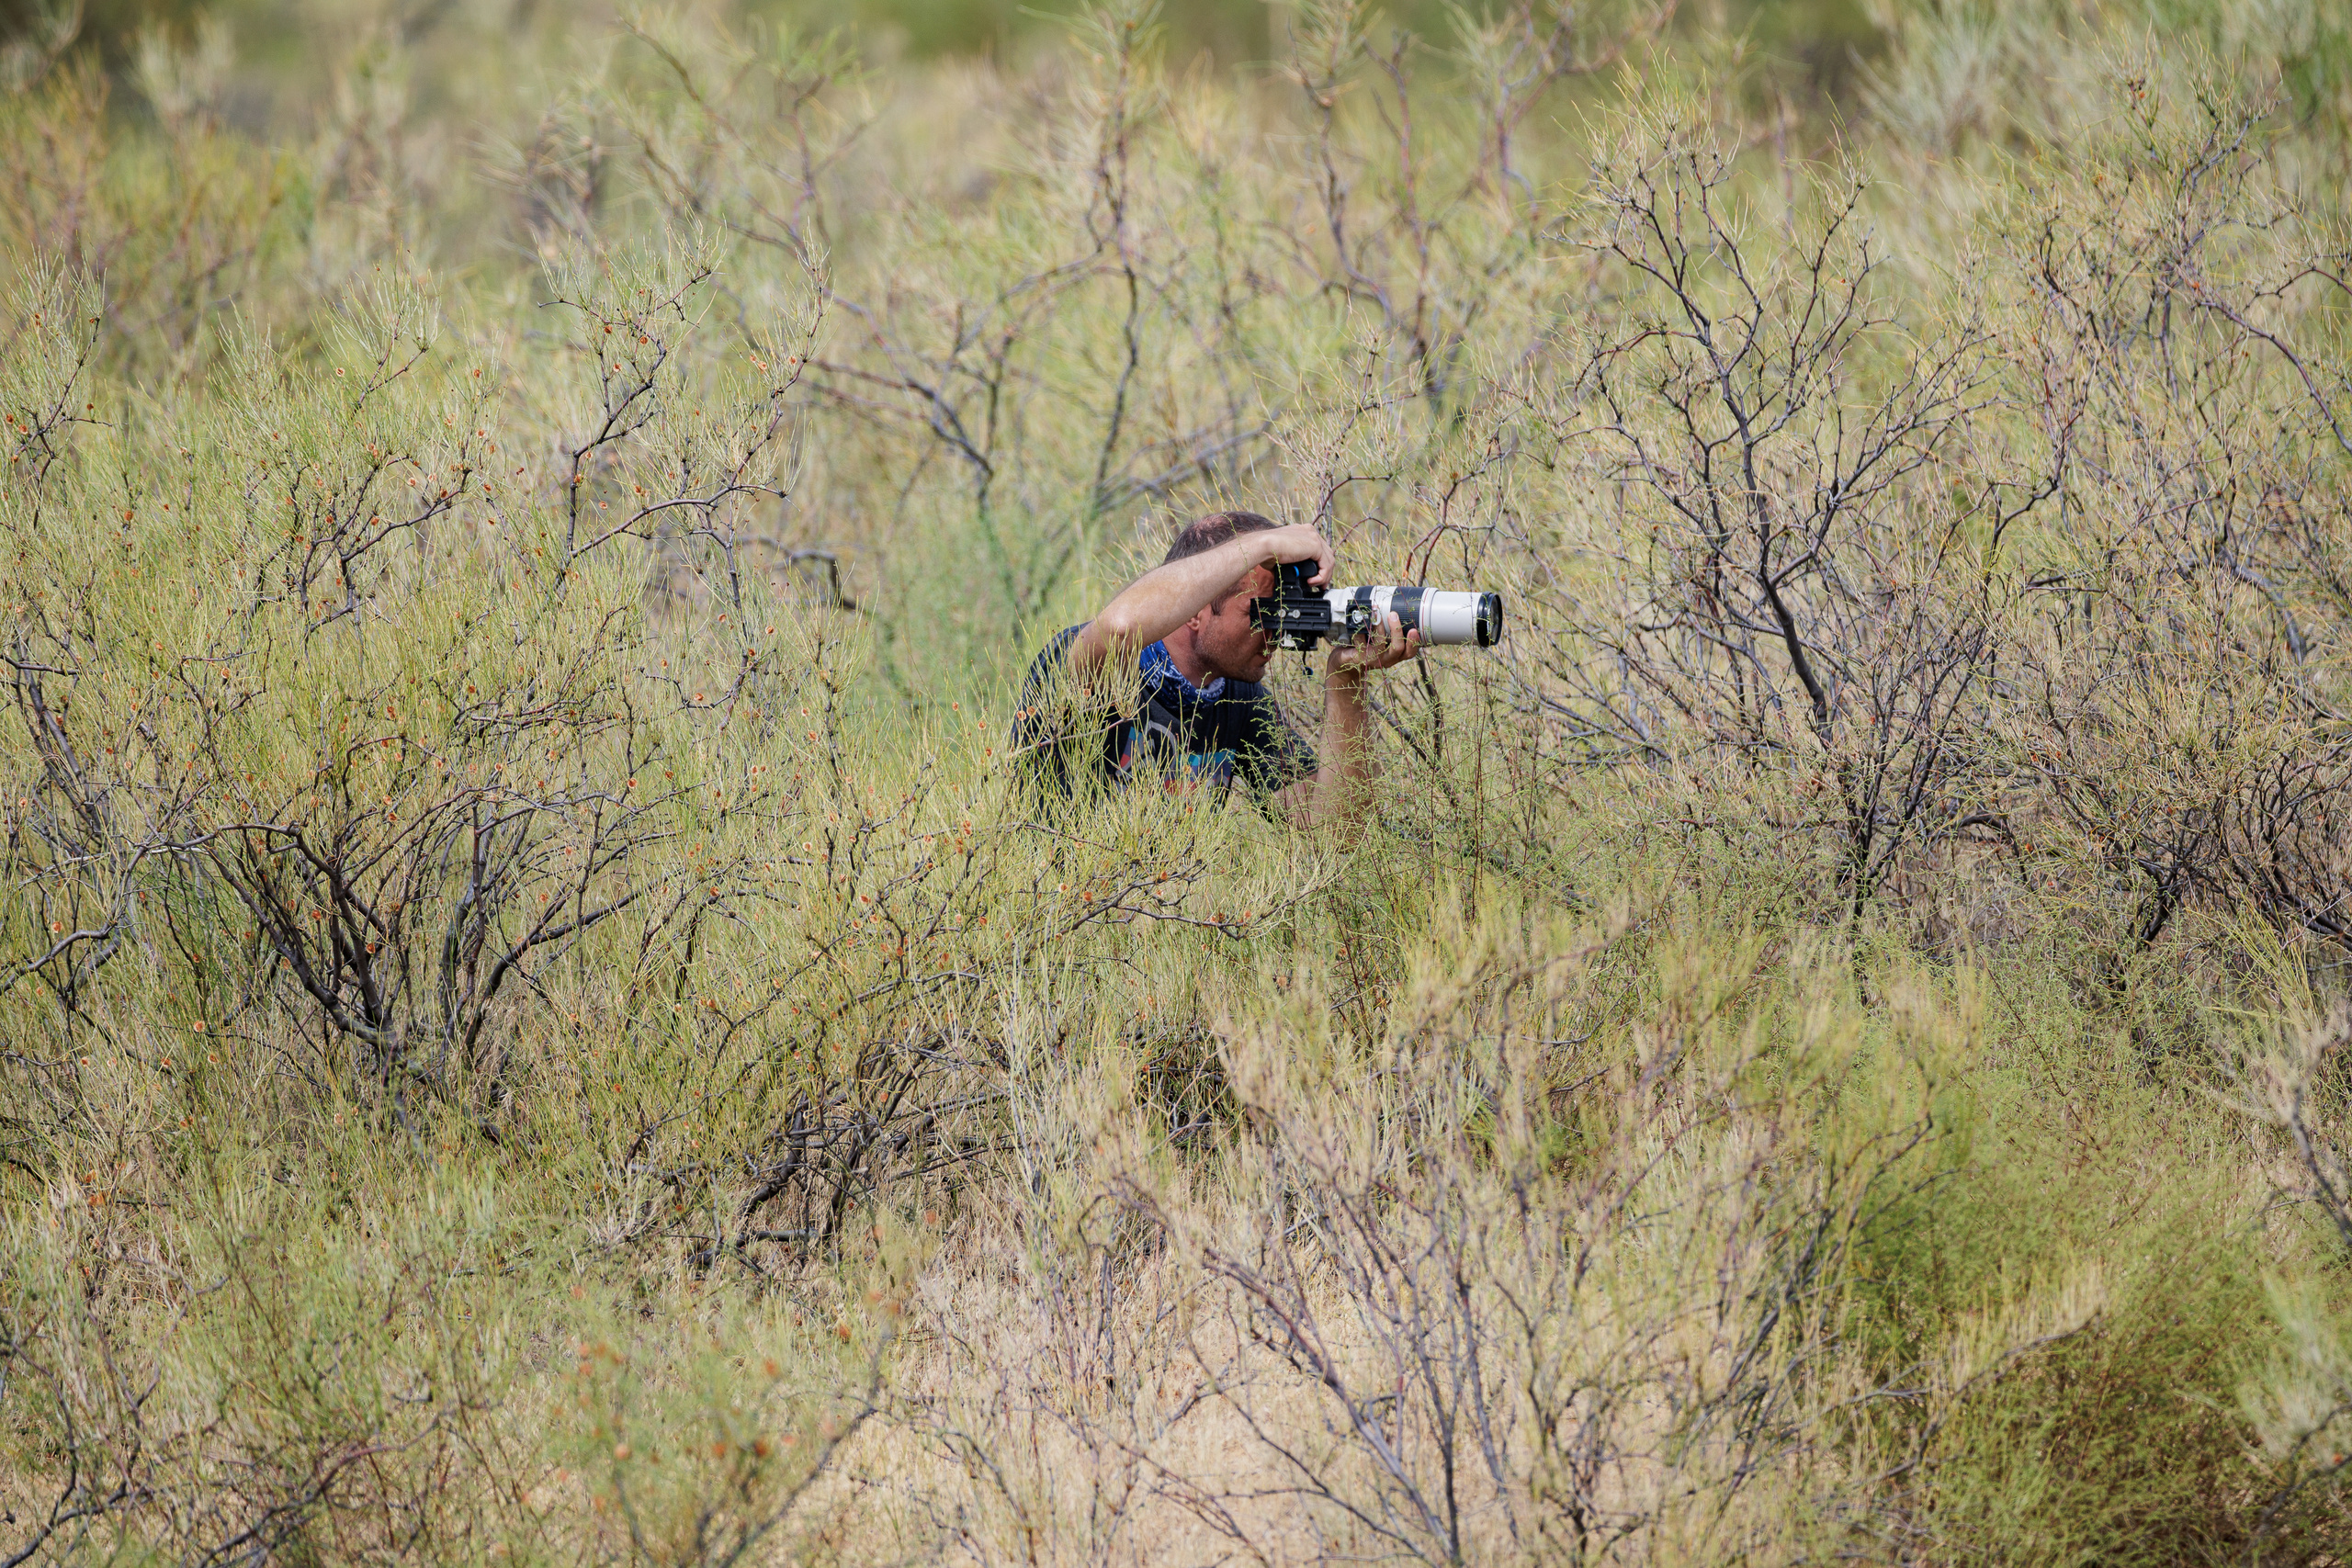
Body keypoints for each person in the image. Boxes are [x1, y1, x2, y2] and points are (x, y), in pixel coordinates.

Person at [1012, 510, 1419, 826]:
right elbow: (1120, 627)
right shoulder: (1095, 662)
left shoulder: (1238, 698)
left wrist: (1346, 682)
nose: (1276, 628)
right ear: (1194, 611)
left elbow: (1333, 830)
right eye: (1260, 610)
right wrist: (1262, 545)